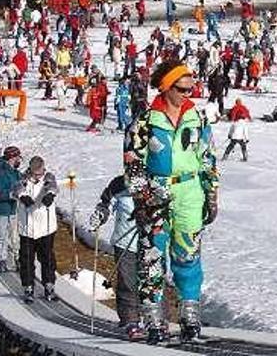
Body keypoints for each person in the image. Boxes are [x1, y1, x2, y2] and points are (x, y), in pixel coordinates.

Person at [124, 59, 219, 343]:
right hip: (156, 191)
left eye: (191, 89)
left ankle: (189, 313)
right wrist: (141, 200)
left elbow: (208, 157)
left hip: (190, 190)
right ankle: (153, 317)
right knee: (152, 255)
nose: (188, 94)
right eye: (182, 89)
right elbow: (133, 163)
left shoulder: (197, 118)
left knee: (188, 253)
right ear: (166, 87)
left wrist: (211, 193)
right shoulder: (144, 122)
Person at [88, 175, 142, 340]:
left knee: (151, 281)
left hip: (151, 242)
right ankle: (130, 320)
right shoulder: (118, 184)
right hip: (124, 241)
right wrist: (100, 215)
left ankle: (154, 318)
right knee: (127, 281)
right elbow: (105, 204)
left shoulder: (155, 182)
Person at [15, 156, 59, 304]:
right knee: (26, 259)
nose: (38, 176)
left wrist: (50, 195)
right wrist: (23, 196)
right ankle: (28, 288)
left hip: (46, 228)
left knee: (47, 259)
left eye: (39, 172)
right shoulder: (22, 179)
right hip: (27, 228)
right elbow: (16, 189)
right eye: (35, 173)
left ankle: (49, 286)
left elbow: (53, 186)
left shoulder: (48, 178)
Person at [0, 146, 22, 273]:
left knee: (15, 236)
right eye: (18, 157)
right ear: (12, 158)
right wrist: (11, 194)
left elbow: (21, 184)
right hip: (2, 209)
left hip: (14, 209)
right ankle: (1, 259)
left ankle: (17, 258)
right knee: (1, 235)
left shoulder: (16, 172)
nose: (19, 160)